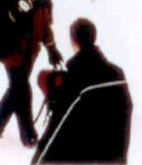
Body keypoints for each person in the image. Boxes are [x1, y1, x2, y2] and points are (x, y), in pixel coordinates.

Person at [0, 0, 63, 148]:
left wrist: (52, 48)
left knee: (17, 89)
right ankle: (29, 138)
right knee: (21, 90)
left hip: (30, 54)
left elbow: (45, 26)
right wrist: (15, 13)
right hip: (11, 52)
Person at [34, 18, 132, 164]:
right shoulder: (118, 75)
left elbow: (56, 126)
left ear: (73, 41)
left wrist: (37, 160)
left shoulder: (76, 78)